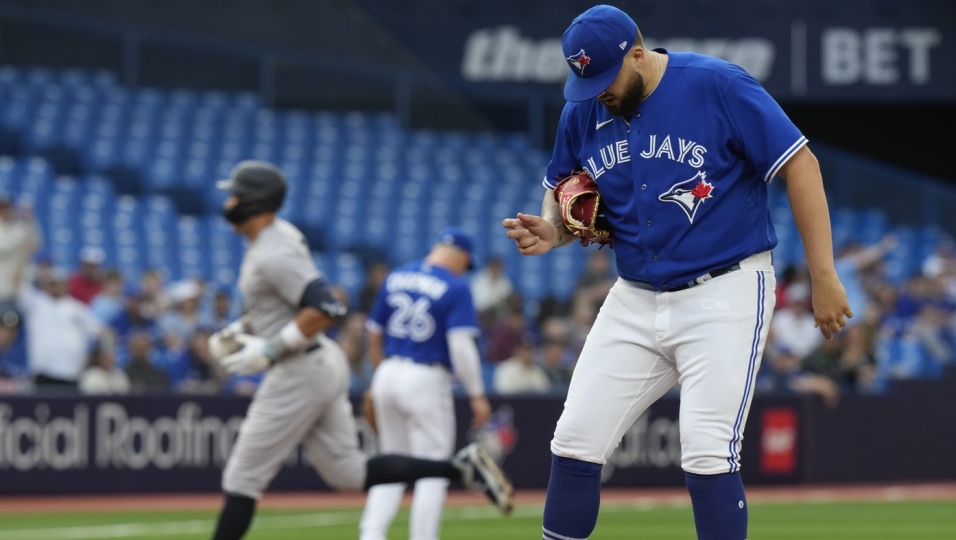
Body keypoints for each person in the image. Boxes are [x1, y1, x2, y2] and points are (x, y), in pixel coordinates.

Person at [501, 5, 852, 539]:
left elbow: (800, 163)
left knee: (708, 452)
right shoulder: (584, 110)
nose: (597, 92)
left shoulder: (718, 85)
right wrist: (553, 230)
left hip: (725, 288)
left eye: (604, 77)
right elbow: (562, 191)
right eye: (586, 80)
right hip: (635, 294)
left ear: (637, 54)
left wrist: (823, 274)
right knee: (574, 440)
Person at [206, 161, 513, 540]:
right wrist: (247, 327)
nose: (229, 201)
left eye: (235, 194)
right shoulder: (280, 236)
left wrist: (271, 349)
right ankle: (459, 469)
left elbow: (327, 308)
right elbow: (289, 301)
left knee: (241, 479)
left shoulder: (275, 251)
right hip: (324, 363)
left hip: (300, 369)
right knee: (349, 473)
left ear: (254, 203)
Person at [359, 226, 494, 540]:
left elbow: (374, 334)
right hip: (425, 376)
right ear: (460, 255)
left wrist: (379, 376)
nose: (464, 268)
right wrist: (477, 394)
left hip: (388, 371)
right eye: (466, 262)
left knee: (390, 461)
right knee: (433, 468)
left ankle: (371, 534)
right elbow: (461, 346)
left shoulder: (396, 276)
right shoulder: (455, 287)